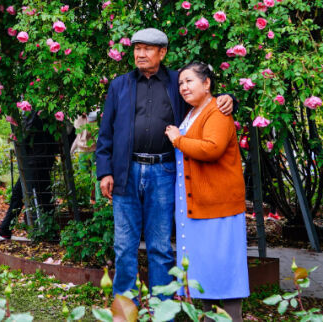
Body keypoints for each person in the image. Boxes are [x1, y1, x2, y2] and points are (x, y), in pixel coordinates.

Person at [95, 28, 235, 298]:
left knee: (160, 245)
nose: (140, 54)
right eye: (137, 48)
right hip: (126, 172)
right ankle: (125, 307)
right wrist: (105, 172)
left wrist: (229, 99)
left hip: (165, 172)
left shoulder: (176, 82)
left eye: (147, 49)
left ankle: (162, 309)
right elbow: (106, 133)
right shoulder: (119, 85)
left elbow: (203, 103)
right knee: (124, 246)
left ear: (162, 52)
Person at [164, 62, 248, 320]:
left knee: (224, 272)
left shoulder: (217, 111)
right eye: (180, 83)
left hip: (217, 207)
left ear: (207, 83)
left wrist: (178, 139)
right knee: (204, 273)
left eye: (189, 81)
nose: (183, 87)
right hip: (197, 208)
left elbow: (212, 149)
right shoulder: (192, 113)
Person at [0, 111, 64, 240]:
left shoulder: (37, 111)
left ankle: (49, 233)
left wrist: (18, 136)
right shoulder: (44, 110)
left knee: (40, 195)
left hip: (36, 160)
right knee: (31, 194)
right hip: (39, 158)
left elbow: (25, 133)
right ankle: (6, 228)